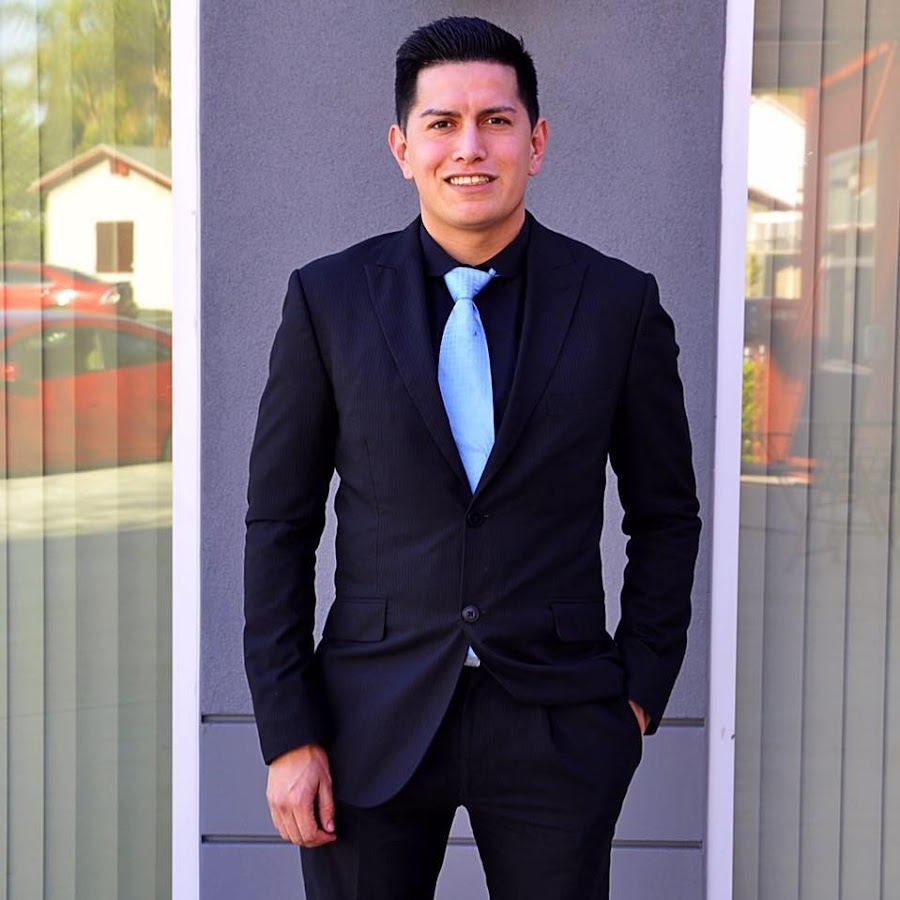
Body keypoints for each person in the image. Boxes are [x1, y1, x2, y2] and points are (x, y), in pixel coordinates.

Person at [244, 15, 701, 900]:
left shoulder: (618, 303)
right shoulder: (328, 300)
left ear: (536, 141)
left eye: (496, 120)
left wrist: (637, 695)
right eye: (442, 123)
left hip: (559, 721)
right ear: (401, 148)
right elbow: (279, 527)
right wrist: (288, 730)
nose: (470, 147)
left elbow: (666, 516)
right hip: (365, 720)